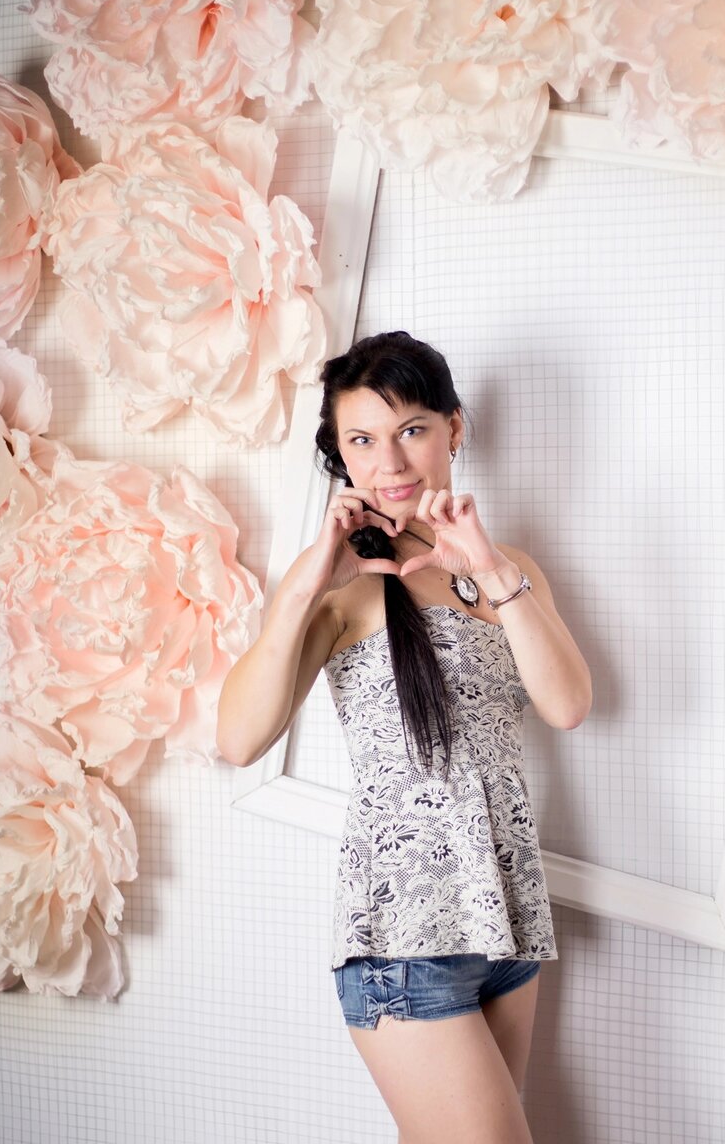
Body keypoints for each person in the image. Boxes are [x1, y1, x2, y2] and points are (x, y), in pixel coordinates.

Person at [216, 330, 592, 1144]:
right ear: (340, 455)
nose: (388, 460)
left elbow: (566, 704)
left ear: (453, 428)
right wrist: (303, 588)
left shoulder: (507, 567)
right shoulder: (338, 587)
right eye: (361, 440)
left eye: (410, 429)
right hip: (403, 938)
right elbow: (238, 740)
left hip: (507, 917)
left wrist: (492, 570)